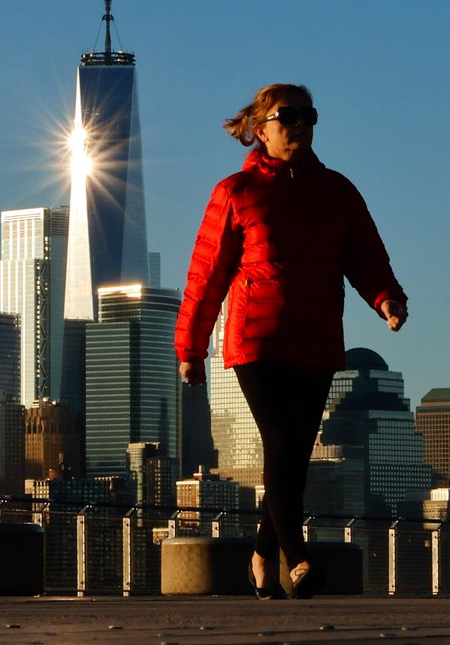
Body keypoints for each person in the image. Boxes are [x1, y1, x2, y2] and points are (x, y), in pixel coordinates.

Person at [174, 83, 407, 600]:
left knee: (294, 456)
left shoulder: (337, 191)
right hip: (257, 341)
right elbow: (206, 274)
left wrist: (387, 298)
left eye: (309, 115)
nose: (300, 123)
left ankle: (260, 557)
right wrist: (190, 348)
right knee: (281, 442)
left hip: (319, 342)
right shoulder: (235, 192)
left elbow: (365, 257)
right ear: (261, 129)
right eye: (288, 116)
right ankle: (297, 560)